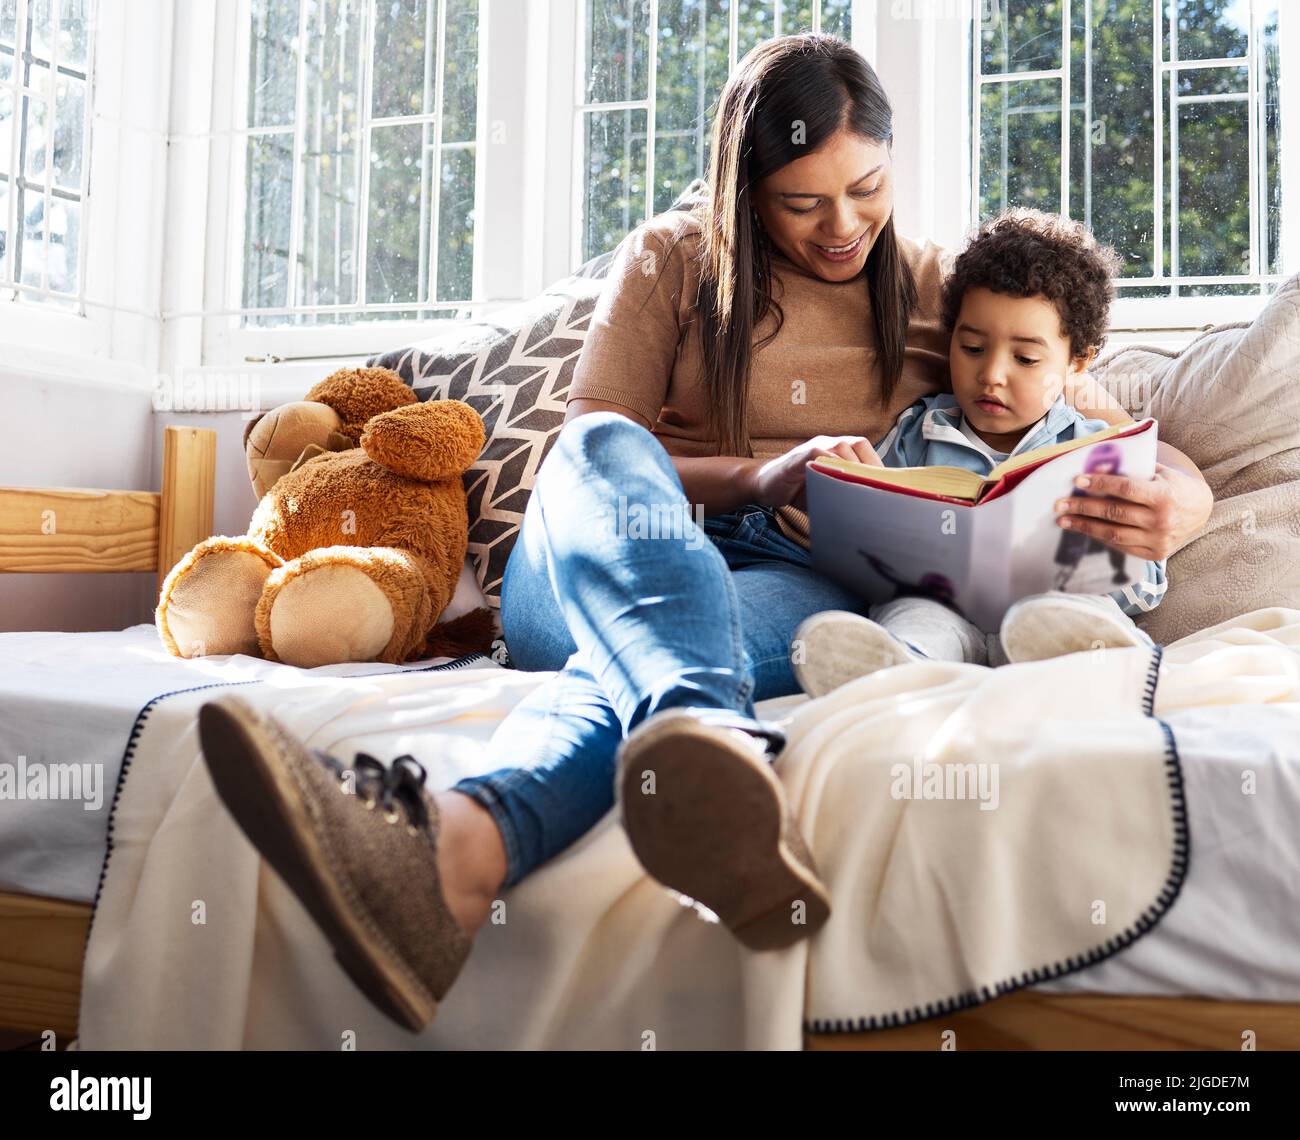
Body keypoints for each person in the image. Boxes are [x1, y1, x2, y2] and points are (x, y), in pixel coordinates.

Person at [196, 35, 1214, 1034]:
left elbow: (1086, 413)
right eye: (802, 203)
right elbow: (584, 458)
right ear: (743, 185)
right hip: (601, 567)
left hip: (791, 579)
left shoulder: (929, 286)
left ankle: (460, 854)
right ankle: (711, 734)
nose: (842, 227)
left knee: (658, 668)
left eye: (866, 189)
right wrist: (754, 476)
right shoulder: (672, 261)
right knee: (604, 451)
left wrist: (1184, 500)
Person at [793, 209, 1170, 697]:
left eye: (1026, 359)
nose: (992, 374)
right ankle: (892, 676)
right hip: (941, 608)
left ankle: (1095, 674)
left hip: (1049, 612)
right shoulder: (916, 434)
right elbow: (866, 544)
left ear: (1076, 362)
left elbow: (1148, 580)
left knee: (1072, 614)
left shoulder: (1096, 450)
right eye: (972, 348)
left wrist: (1109, 571)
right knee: (914, 620)